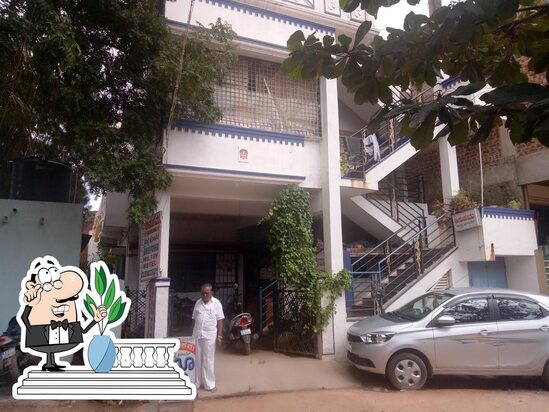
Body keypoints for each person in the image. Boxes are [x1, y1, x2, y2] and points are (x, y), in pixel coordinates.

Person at [19, 256, 107, 371]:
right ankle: (50, 363)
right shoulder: (38, 322)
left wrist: (96, 319)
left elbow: (83, 331)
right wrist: (30, 307)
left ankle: (51, 363)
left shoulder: (70, 327)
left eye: (70, 299)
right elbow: (24, 317)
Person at [191, 283, 224, 391]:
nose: (204, 295)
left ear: (211, 293)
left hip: (210, 336)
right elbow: (194, 318)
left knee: (208, 360)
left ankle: (209, 385)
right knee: (197, 360)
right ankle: (195, 383)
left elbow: (220, 320)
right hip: (197, 335)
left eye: (207, 293)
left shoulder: (216, 303)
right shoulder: (198, 303)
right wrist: (192, 334)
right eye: (202, 293)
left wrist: (219, 335)